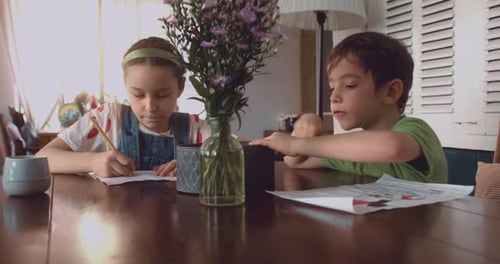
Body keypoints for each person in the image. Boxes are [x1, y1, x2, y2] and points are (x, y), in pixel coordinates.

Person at [251, 32, 448, 183]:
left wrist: (296, 144)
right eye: (331, 87)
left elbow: (391, 147)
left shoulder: (416, 130)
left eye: (350, 85)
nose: (334, 97)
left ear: (391, 92)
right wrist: (307, 125)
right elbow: (295, 162)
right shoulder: (353, 151)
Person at [37, 37, 208, 177]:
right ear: (125, 85)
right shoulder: (109, 118)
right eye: (138, 95)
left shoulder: (195, 129)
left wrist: (203, 165)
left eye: (162, 95)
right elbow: (43, 158)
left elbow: (234, 156)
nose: (150, 106)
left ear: (180, 87)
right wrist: (92, 162)